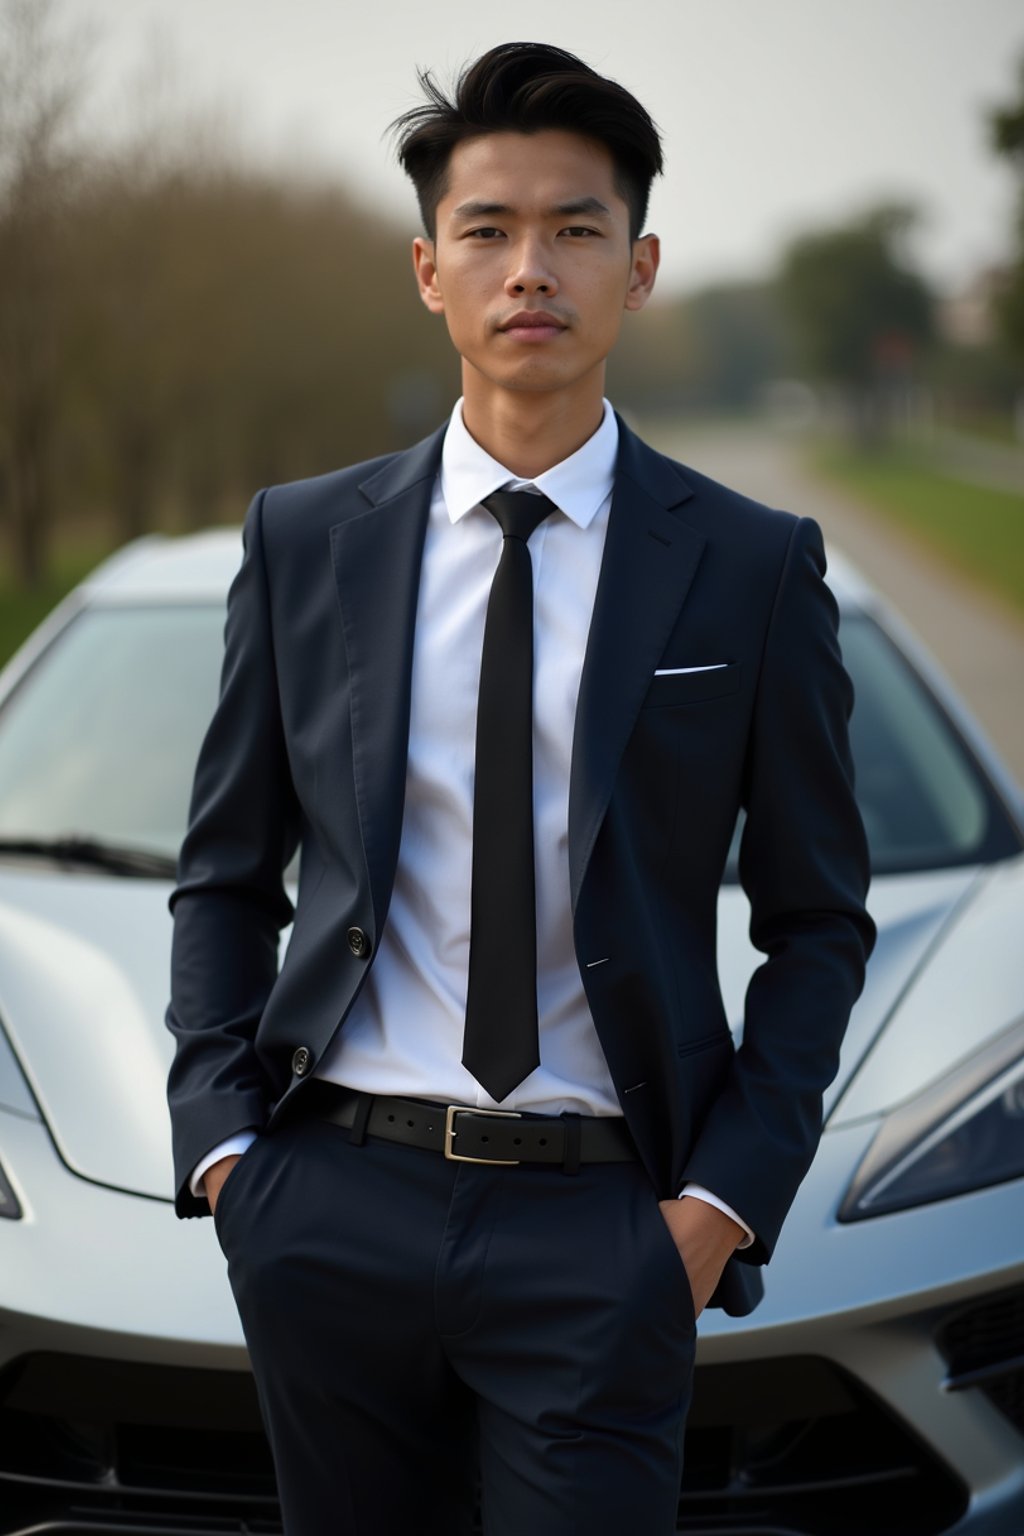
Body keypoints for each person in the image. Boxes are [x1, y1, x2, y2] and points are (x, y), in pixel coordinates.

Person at [166, 40, 875, 1536]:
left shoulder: (749, 567)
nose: (529, 268)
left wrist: (721, 1205)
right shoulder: (305, 541)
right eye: (487, 230)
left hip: (605, 1224)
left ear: (641, 268)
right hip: (332, 1202)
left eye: (577, 229)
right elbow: (227, 870)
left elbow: (819, 922)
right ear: (429, 271)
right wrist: (228, 1153)